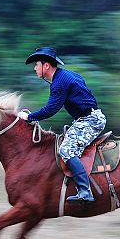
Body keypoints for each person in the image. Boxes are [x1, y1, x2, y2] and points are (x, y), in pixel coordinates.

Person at [17, 47, 106, 203]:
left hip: (89, 120)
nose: (35, 68)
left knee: (66, 150)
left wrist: (29, 117)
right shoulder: (68, 75)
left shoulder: (59, 83)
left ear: (46, 66)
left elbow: (51, 109)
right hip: (87, 118)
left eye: (36, 64)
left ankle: (85, 191)